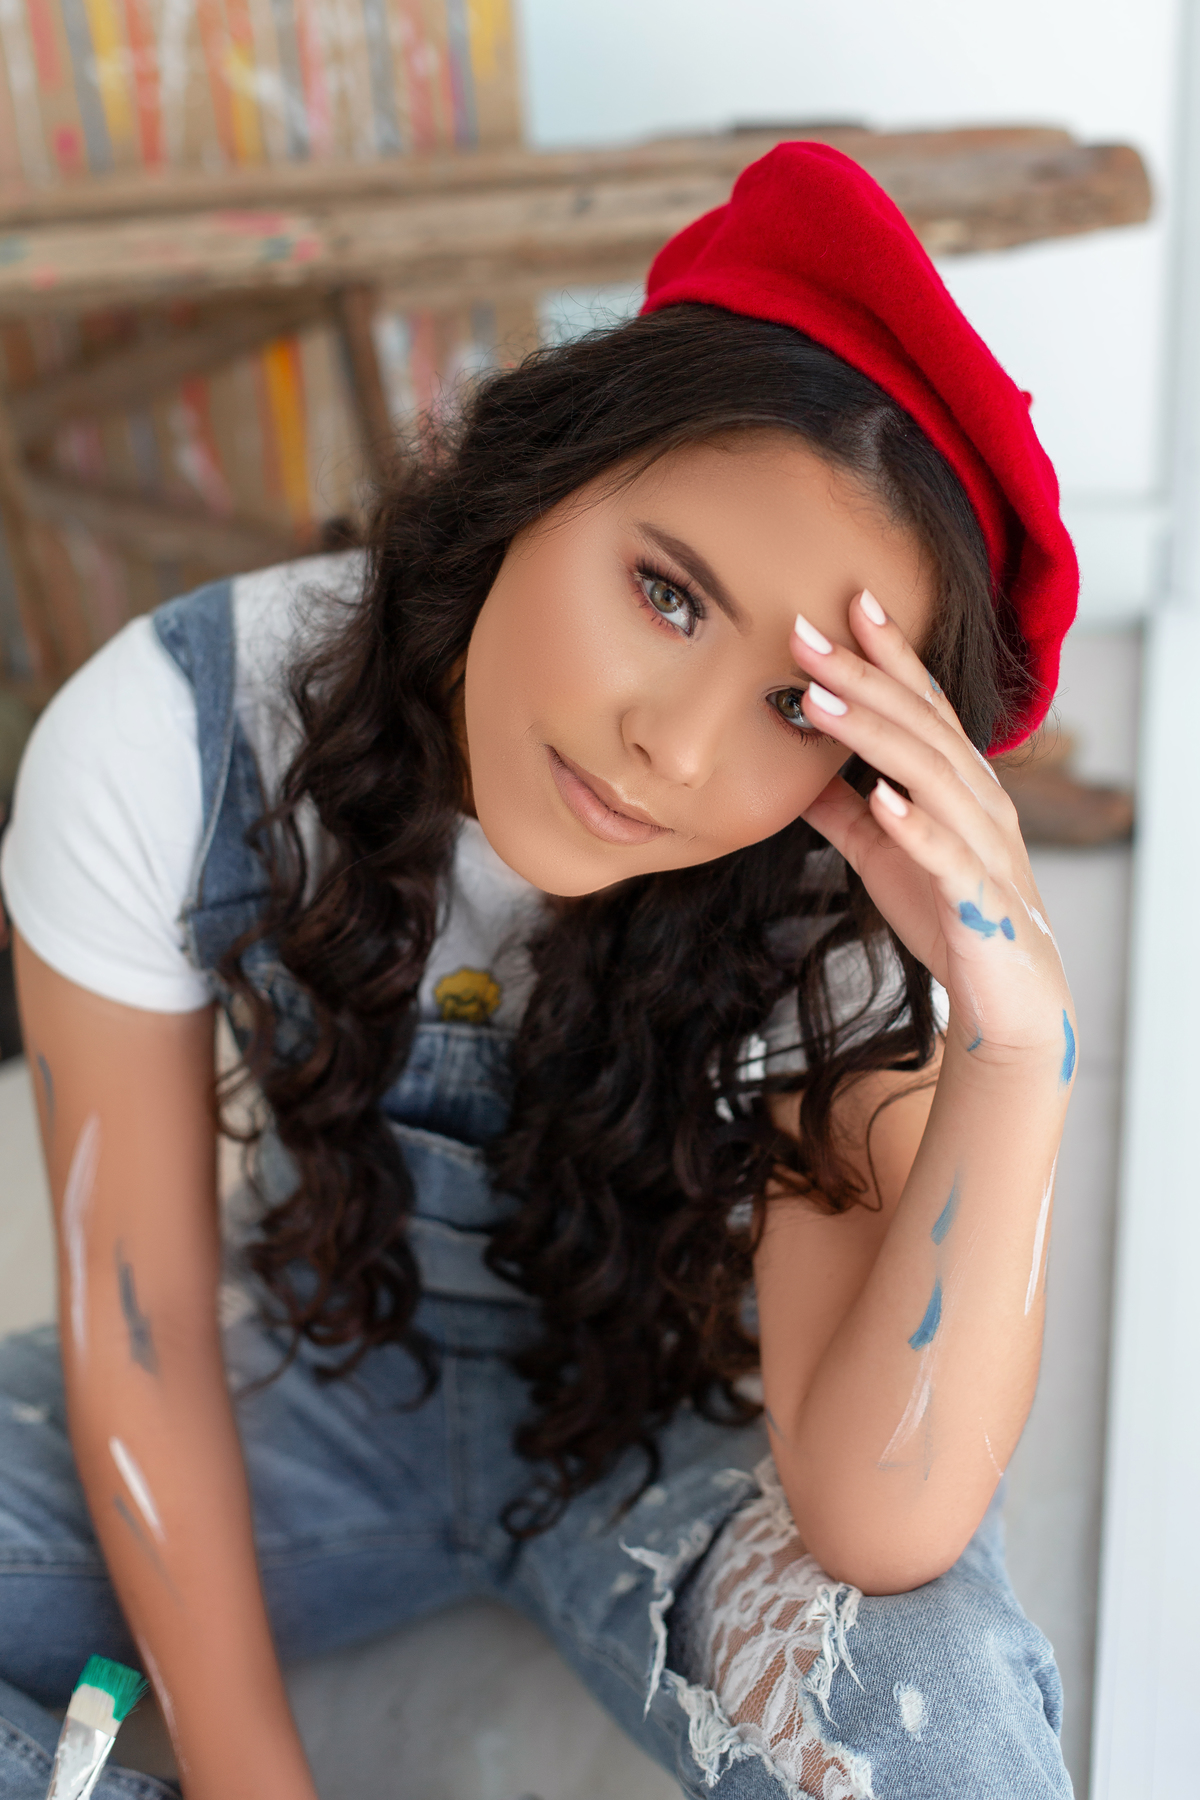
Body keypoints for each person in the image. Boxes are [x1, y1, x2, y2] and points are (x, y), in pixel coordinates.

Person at [0, 144, 1079, 1800]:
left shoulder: (844, 881)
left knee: (940, 1707)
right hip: (294, 1396)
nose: (675, 749)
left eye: (799, 707)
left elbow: (879, 1519)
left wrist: (1018, 1046)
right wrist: (248, 1774)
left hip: (679, 1458)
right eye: (667, 593)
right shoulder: (169, 732)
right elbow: (136, 1335)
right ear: (533, 478)